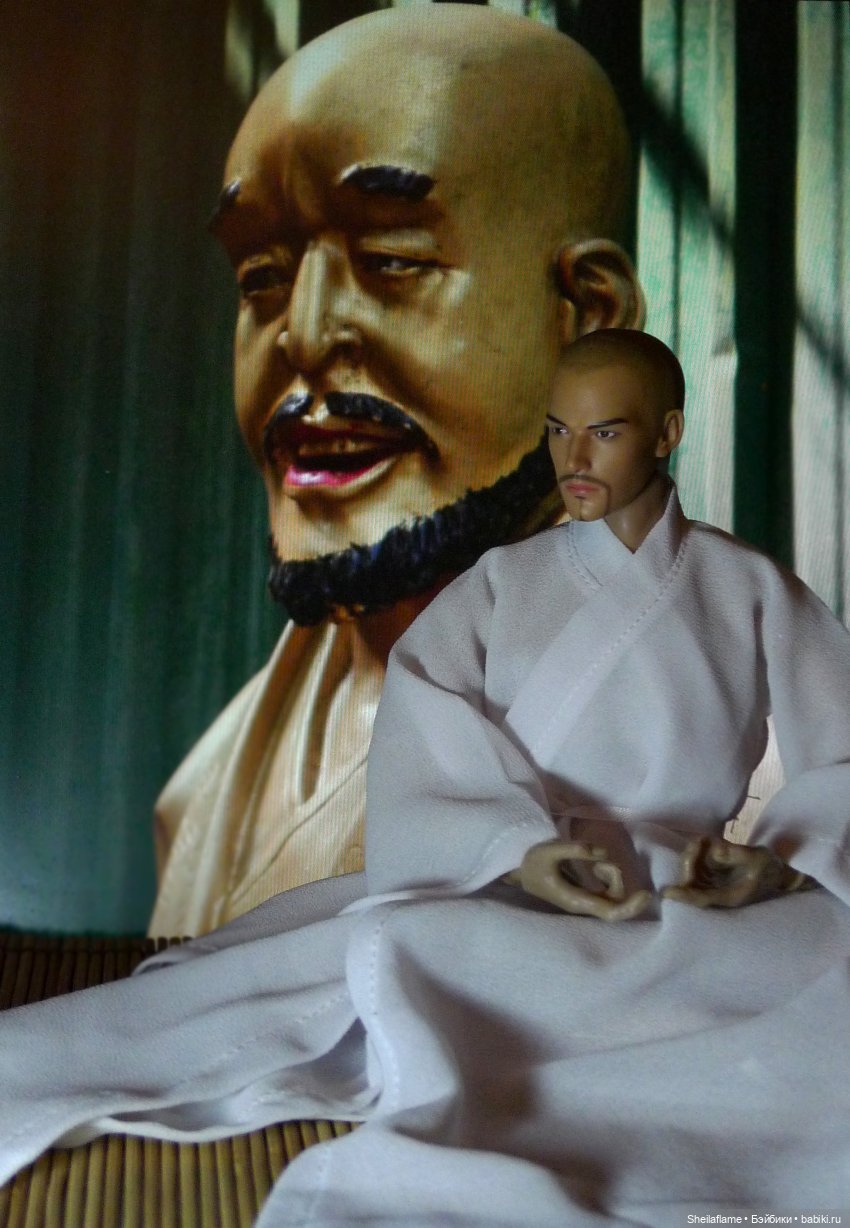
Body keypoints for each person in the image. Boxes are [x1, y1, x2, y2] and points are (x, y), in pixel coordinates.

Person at [2, 331, 849, 1225]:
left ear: (668, 433)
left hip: (684, 898)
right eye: (558, 431)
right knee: (417, 946)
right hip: (520, 887)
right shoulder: (501, 584)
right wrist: (516, 849)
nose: (573, 459)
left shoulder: (749, 588)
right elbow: (428, 722)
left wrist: (779, 860)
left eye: (604, 433)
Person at [149, 3, 645, 936]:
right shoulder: (210, 785)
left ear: (588, 321)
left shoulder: (704, 747)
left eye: (389, 260)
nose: (304, 335)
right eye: (262, 279)